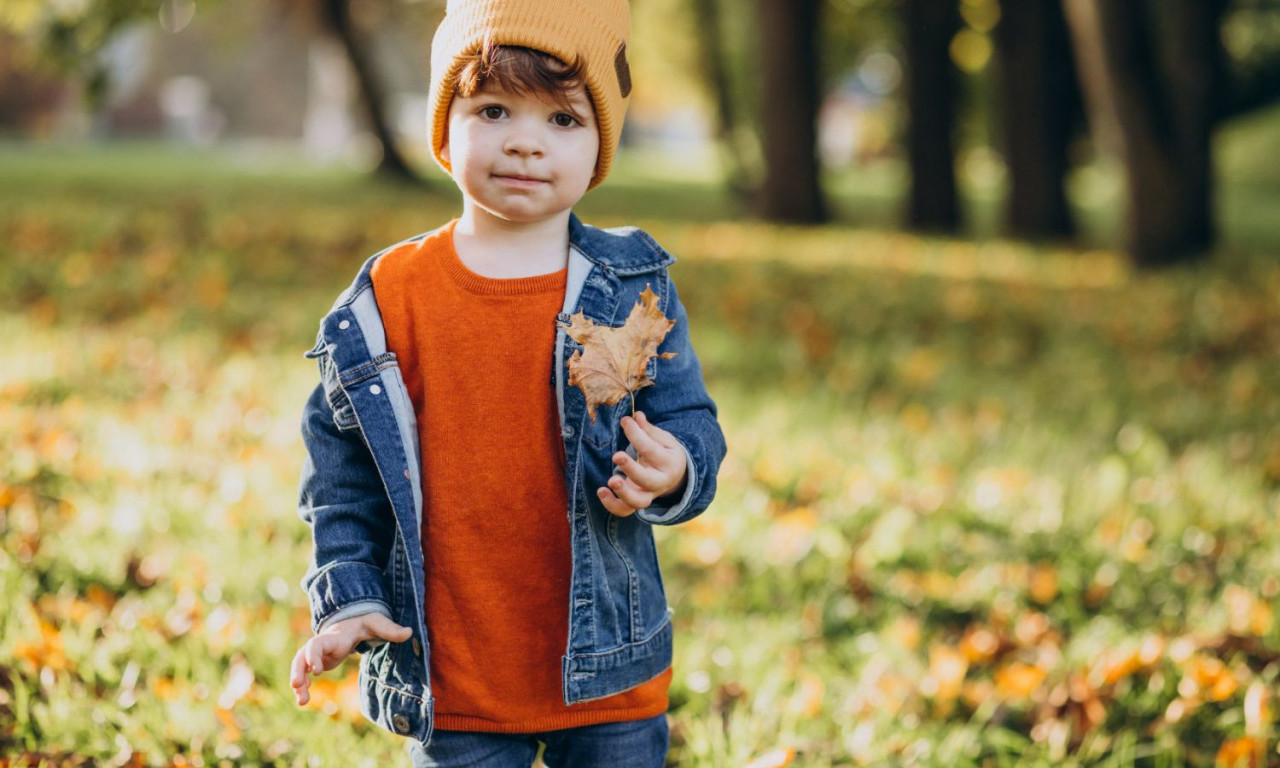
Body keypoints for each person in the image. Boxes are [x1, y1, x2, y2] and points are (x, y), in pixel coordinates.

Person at [286, 0, 726, 766]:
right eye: (493, 110)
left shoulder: (634, 286)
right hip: (456, 680)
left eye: (562, 120)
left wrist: (677, 468)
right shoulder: (391, 299)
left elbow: (691, 422)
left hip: (609, 673)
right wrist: (349, 595)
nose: (525, 142)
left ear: (599, 147)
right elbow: (340, 475)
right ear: (445, 133)